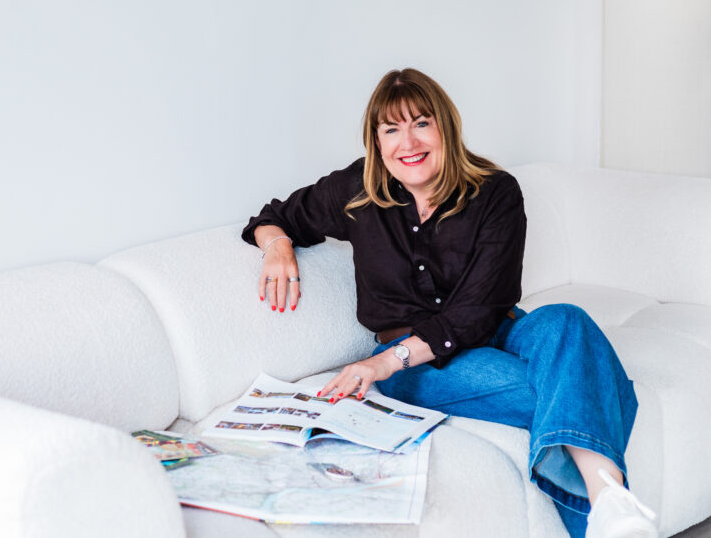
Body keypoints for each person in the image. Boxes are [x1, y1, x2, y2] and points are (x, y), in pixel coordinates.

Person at [242, 68, 658, 538]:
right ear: (376, 141)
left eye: (421, 123)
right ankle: (615, 508)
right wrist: (277, 246)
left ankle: (610, 505)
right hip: (419, 369)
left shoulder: (495, 191)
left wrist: (380, 364)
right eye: (391, 129)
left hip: (493, 328)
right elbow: (275, 216)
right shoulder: (356, 190)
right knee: (588, 386)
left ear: (445, 128)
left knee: (566, 320)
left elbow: (480, 310)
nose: (408, 141)